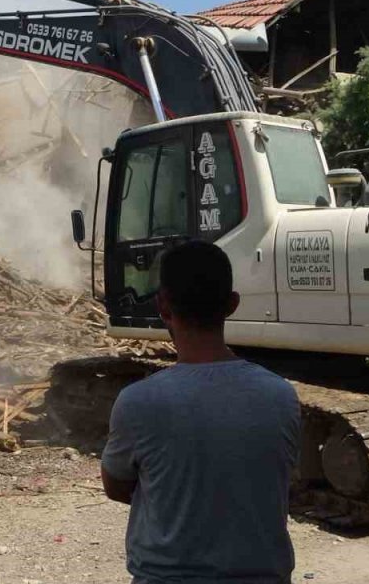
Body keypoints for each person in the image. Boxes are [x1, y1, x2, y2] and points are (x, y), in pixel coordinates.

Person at [100, 240, 300, 584]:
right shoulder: (280, 395)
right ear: (232, 304)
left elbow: (116, 486)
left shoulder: (138, 402)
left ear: (162, 305)